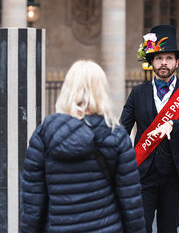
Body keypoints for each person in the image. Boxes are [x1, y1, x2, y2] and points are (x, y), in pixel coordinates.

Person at [21, 60, 145, 233]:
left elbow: (32, 201)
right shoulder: (116, 136)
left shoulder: (44, 135)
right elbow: (130, 201)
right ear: (102, 91)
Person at [120, 24, 179, 233]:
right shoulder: (138, 92)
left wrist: (173, 124)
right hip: (143, 173)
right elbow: (121, 129)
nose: (164, 63)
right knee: (139, 228)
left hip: (175, 176)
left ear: (177, 62)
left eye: (169, 58)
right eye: (159, 58)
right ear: (151, 61)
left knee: (168, 229)